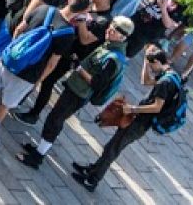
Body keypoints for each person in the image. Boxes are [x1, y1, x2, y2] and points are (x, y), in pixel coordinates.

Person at [19, 14, 131, 165]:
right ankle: (39, 149)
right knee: (55, 117)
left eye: (116, 30)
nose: (110, 30)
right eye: (112, 26)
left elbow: (97, 83)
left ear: (123, 37)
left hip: (79, 93)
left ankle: (38, 156)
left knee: (55, 119)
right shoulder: (110, 45)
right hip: (76, 88)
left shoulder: (113, 59)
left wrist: (78, 68)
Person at [69, 44, 184, 190]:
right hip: (138, 119)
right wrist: (145, 62)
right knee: (112, 146)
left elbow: (157, 106)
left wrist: (133, 109)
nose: (151, 68)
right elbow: (146, 82)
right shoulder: (171, 75)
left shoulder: (165, 83)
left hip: (140, 123)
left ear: (157, 62)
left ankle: (92, 180)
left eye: (151, 65)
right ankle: (93, 170)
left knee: (112, 149)